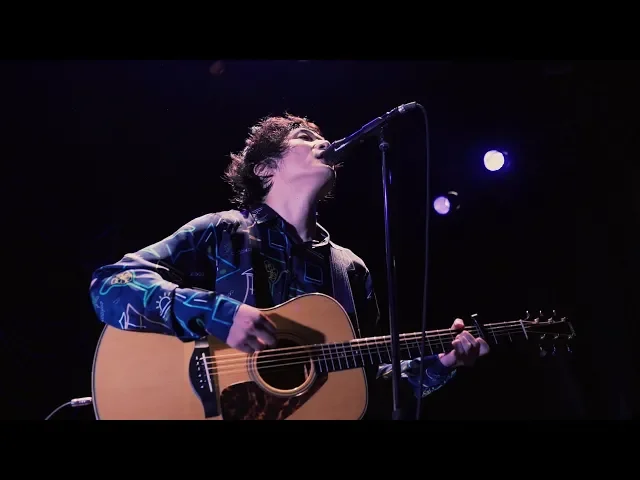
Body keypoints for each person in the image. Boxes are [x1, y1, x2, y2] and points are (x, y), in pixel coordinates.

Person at [88, 113, 489, 419]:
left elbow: (363, 385)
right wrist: (217, 313)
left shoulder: (349, 270)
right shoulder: (223, 232)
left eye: (320, 136)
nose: (324, 142)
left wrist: (442, 363)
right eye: (304, 137)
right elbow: (110, 285)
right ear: (264, 167)